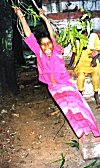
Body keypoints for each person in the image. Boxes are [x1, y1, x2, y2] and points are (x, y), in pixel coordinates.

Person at [13, 6, 100, 138]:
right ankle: (81, 131)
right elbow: (29, 35)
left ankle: (93, 129)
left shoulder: (57, 50)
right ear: (40, 46)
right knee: (69, 111)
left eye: (49, 44)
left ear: (53, 44)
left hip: (66, 84)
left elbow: (52, 34)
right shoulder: (39, 54)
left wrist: (44, 18)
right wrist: (21, 16)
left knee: (80, 106)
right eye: (43, 44)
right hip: (54, 88)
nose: (46, 46)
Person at [68, 31, 100, 107]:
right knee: (81, 77)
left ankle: (96, 93)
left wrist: (94, 59)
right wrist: (70, 64)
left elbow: (97, 50)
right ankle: (80, 95)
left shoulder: (93, 37)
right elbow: (74, 53)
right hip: (81, 64)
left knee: (95, 76)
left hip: (92, 64)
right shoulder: (77, 39)